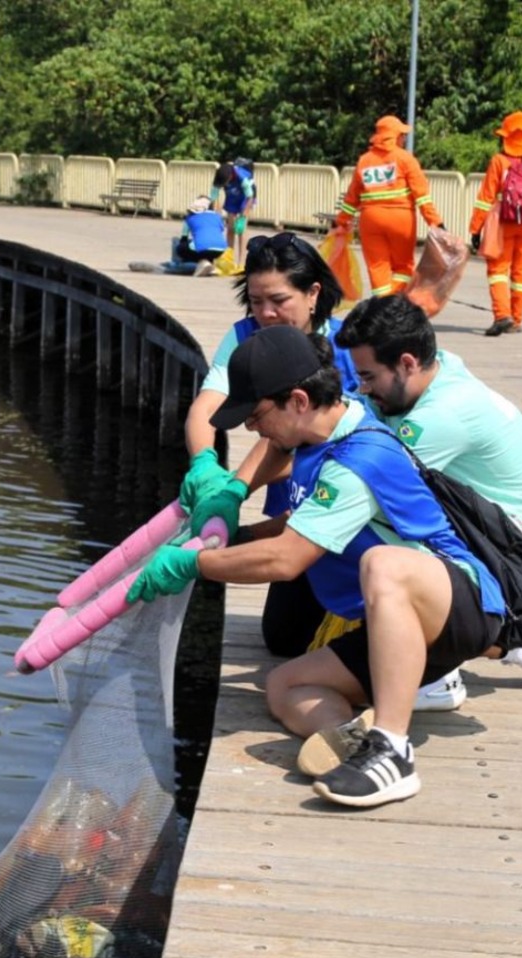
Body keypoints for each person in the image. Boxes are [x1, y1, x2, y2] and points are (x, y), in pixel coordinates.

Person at [131, 326, 505, 809]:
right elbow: (297, 519)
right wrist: (236, 526)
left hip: (461, 605)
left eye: (257, 414)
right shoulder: (318, 436)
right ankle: (354, 741)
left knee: (383, 563)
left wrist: (193, 564)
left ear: (299, 401)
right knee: (286, 685)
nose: (251, 429)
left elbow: (287, 559)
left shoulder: (360, 456)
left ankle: (393, 751)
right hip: (402, 625)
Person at [312, 293, 522, 728]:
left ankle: (438, 674)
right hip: (510, 543)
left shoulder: (441, 417)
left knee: (362, 522)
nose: (364, 389)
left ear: (408, 363)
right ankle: (509, 639)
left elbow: (363, 481)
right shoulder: (437, 369)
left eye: (369, 376)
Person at [179, 231, 363, 659]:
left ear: (313, 292)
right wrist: (205, 464)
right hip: (295, 510)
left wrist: (239, 486)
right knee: (284, 640)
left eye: (278, 301)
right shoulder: (247, 334)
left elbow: (300, 446)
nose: (265, 313)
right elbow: (207, 406)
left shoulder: (350, 348)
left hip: (347, 506)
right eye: (256, 300)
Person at [335, 115, 444, 299]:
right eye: (402, 134)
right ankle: (392, 303)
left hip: (370, 220)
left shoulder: (364, 160)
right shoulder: (405, 159)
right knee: (403, 267)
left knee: (378, 267)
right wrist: (436, 223)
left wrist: (341, 221)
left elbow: (352, 197)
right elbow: (422, 196)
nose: (404, 138)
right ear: (395, 136)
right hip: (401, 220)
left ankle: (383, 305)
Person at [469, 111, 522, 335]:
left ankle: (501, 315)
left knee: (497, 269)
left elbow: (486, 198)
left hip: (503, 224)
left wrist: (475, 229)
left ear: (507, 137)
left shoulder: (499, 161)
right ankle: (516, 319)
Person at [175, 196, 228, 275]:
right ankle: (210, 265)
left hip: (203, 248)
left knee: (181, 247)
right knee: (207, 245)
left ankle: (201, 262)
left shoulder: (189, 217)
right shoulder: (217, 216)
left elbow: (183, 238)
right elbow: (219, 232)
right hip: (221, 249)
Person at [220, 156, 256, 261]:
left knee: (241, 229)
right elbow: (214, 196)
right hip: (232, 196)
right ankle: (229, 259)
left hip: (246, 198)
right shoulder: (221, 176)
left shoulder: (243, 178)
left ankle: (242, 261)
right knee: (231, 228)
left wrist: (243, 216)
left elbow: (250, 197)